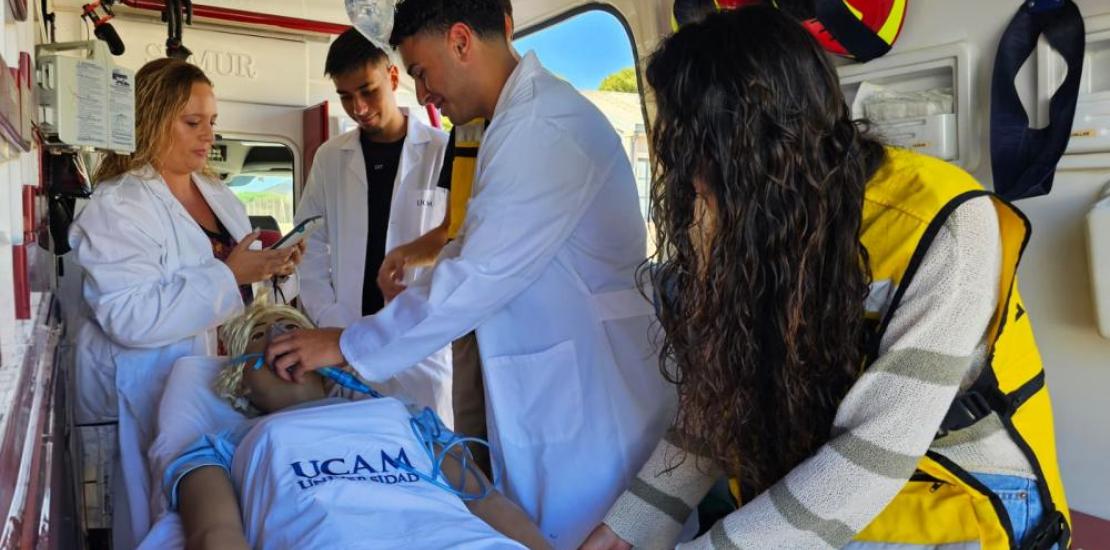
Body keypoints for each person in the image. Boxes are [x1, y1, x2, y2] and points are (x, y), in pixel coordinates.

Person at [581, 6, 1070, 550]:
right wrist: (625, 529)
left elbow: (871, 455)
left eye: (699, 156)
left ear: (758, 153)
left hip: (958, 491)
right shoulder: (746, 222)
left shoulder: (945, 227)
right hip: (835, 478)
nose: (689, 182)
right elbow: (720, 407)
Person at [265, 1, 676, 547]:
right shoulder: (512, 124)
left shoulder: (541, 126)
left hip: (591, 403)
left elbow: (475, 274)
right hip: (557, 387)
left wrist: (344, 341)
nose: (423, 91)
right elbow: (476, 248)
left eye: (419, 71)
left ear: (460, 41)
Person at [69, 58, 300, 548]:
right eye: (192, 123)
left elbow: (237, 283)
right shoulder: (117, 205)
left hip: (222, 383)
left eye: (212, 123)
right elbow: (129, 316)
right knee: (163, 519)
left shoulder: (217, 194)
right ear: (151, 120)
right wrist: (230, 274)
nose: (207, 135)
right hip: (154, 389)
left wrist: (271, 270)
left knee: (221, 513)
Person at [159, 300, 551, 550]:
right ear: (237, 378)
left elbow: (487, 502)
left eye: (294, 330)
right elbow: (215, 536)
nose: (282, 337)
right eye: (263, 335)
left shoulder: (406, 418)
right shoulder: (219, 449)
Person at [295, 28, 453, 419]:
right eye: (346, 97)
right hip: (344, 337)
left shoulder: (441, 152)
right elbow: (308, 245)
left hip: (419, 350)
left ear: (393, 78)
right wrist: (334, 319)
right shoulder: (331, 158)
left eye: (368, 91)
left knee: (426, 458)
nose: (359, 108)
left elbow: (456, 247)